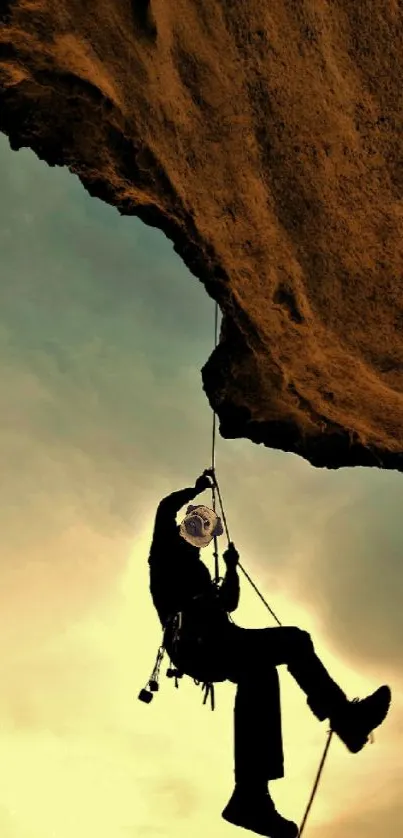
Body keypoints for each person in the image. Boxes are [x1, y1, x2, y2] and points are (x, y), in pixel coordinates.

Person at [148, 471, 392, 838]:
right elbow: (165, 507)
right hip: (199, 645)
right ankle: (345, 719)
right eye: (194, 522)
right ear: (185, 524)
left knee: (260, 675)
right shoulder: (163, 553)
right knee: (294, 641)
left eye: (202, 525)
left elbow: (228, 602)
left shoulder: (198, 570)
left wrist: (230, 568)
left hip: (216, 643)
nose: (197, 528)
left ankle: (250, 796)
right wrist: (196, 489)